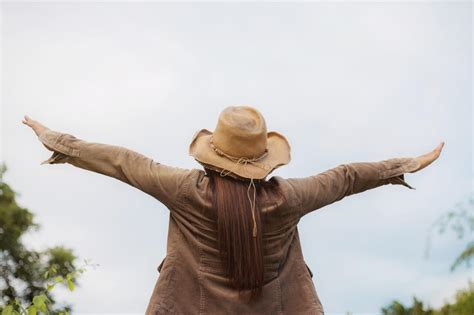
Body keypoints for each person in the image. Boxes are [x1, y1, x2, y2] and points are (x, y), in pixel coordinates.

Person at [22, 106, 444, 314]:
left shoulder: (187, 190)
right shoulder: (288, 199)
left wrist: (57, 140)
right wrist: (405, 165)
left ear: (212, 154)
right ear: (263, 159)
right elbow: (348, 176)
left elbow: (124, 162)